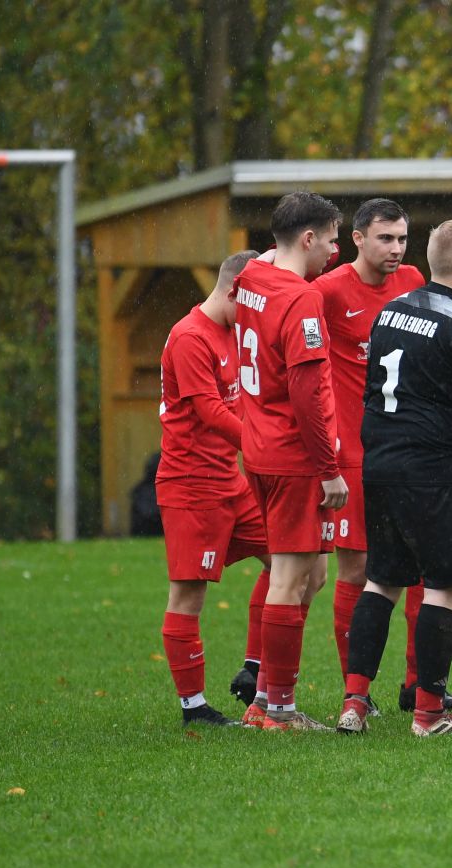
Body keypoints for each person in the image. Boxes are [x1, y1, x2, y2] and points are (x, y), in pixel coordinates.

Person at [338, 218, 452, 736]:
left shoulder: (389, 314)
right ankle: (429, 717)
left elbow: (371, 394)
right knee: (446, 588)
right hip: (433, 470)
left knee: (382, 581)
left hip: (381, 464)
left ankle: (354, 704)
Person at [313, 198, 452, 716]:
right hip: (353, 451)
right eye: (385, 238)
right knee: (359, 569)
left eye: (402, 239)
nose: (396, 249)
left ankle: (418, 684)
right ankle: (355, 692)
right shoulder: (329, 291)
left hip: (407, 450)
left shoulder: (411, 281)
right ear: (357, 239)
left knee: (427, 571)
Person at [233, 190, 348, 730]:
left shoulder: (251, 278)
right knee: (288, 577)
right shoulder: (302, 299)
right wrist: (329, 471)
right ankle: (274, 705)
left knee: (313, 574)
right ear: (307, 239)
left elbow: (262, 256)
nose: (335, 249)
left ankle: (270, 694)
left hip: (258, 448)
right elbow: (306, 396)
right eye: (330, 238)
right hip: (294, 456)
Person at [158, 249, 270, 727]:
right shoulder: (189, 338)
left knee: (295, 561)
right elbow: (209, 410)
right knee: (189, 596)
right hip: (191, 487)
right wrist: (264, 445)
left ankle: (254, 669)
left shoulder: (235, 331)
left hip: (232, 481)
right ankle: (194, 707)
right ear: (230, 291)